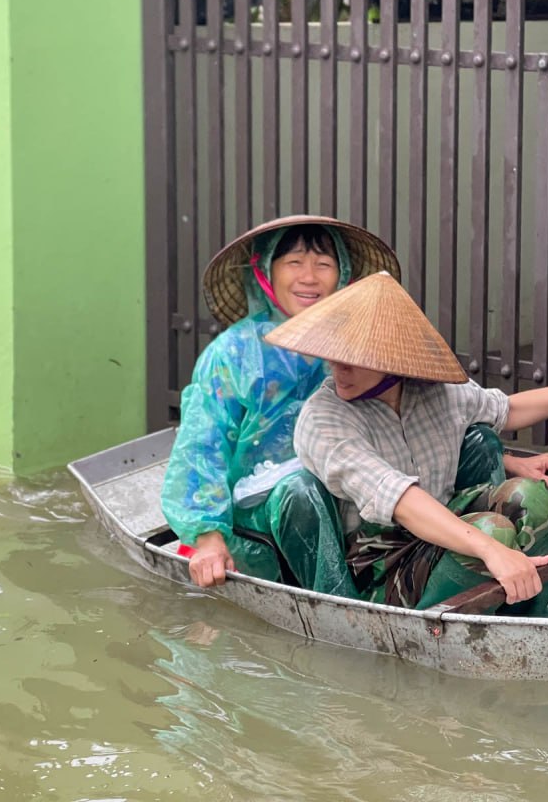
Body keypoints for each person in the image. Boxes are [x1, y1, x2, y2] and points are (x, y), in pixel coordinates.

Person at [266, 272, 548, 614]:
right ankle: (425, 630)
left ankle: (526, 617)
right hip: (379, 559)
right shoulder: (323, 417)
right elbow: (398, 498)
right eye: (333, 357)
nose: (337, 368)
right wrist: (491, 550)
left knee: (531, 498)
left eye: (351, 359)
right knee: (491, 533)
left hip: (445, 528)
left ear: (390, 358)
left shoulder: (440, 393)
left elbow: (507, 410)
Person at [160, 214, 401, 593]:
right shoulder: (233, 353)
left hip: (356, 492)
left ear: (344, 275)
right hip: (265, 512)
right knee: (301, 489)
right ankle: (338, 606)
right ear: (265, 273)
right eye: (294, 263)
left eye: (323, 264)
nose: (309, 277)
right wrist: (207, 538)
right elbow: (202, 448)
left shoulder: (359, 343)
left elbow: (402, 417)